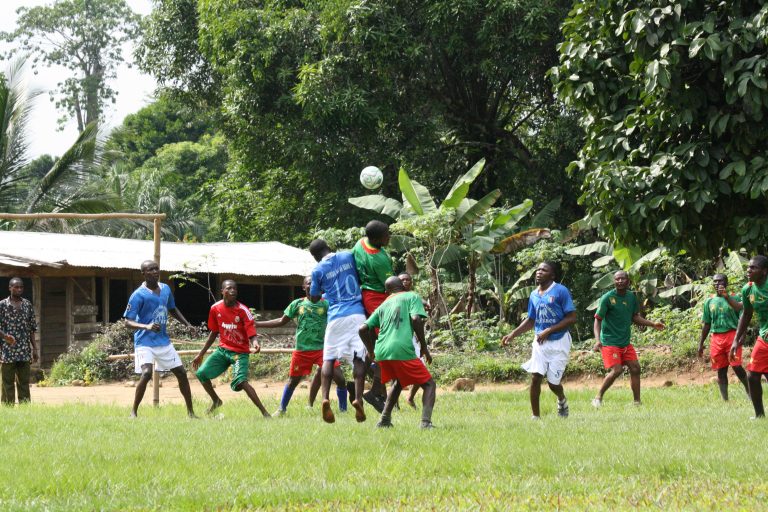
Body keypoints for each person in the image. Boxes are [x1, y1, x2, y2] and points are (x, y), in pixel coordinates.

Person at [254, 276, 348, 416]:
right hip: (302, 350)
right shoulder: (297, 304)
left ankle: (343, 411)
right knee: (293, 381)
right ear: (304, 287)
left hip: (323, 349)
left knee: (340, 378)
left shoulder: (327, 304)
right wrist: (258, 324)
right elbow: (281, 321)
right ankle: (282, 409)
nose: (312, 285)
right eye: (309, 283)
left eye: (315, 283)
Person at [502, 261, 576, 420]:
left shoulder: (560, 291)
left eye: (544, 270)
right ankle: (535, 416)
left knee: (553, 383)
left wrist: (549, 330)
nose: (539, 272)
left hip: (559, 341)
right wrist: (513, 334)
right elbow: (531, 320)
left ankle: (561, 399)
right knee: (535, 378)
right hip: (540, 343)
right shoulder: (534, 294)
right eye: (538, 269)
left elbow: (571, 317)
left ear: (552, 275)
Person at [359, 276, 436, 428]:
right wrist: (424, 347)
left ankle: (384, 420)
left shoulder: (383, 304)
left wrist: (370, 350)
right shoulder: (412, 296)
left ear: (386, 291)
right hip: (400, 348)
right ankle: (425, 423)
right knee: (429, 385)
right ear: (402, 285)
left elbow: (362, 329)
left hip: (382, 350)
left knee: (399, 382)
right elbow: (415, 319)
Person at [123, 260, 197, 418]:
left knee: (182, 373)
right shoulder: (138, 295)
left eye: (156, 268)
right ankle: (133, 412)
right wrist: (146, 326)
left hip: (163, 341)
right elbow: (127, 322)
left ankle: (191, 413)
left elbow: (172, 308)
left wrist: (187, 324)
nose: (155, 271)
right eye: (150, 270)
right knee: (146, 373)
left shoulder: (165, 289)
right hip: (144, 342)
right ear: (143, 273)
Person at [309, 239, 368, 423]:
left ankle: (325, 397)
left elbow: (314, 297)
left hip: (336, 317)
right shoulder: (348, 255)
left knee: (328, 358)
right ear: (329, 247)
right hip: (357, 314)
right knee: (359, 358)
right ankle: (358, 398)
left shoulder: (318, 270)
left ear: (315, 256)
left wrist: (324, 292)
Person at [192, 280, 270, 417]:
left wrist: (255, 343)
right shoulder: (215, 309)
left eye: (235, 288)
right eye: (229, 288)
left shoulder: (243, 310)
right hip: (223, 351)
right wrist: (201, 354)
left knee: (241, 382)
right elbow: (213, 332)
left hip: (239, 353)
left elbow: (251, 331)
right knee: (201, 373)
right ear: (222, 291)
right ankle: (216, 400)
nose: (233, 291)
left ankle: (265, 413)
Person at [591, 270, 664, 407]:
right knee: (617, 370)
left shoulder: (631, 297)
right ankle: (598, 397)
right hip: (609, 341)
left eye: (622, 279)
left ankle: (637, 402)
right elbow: (597, 320)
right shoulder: (607, 298)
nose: (619, 281)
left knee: (635, 368)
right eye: (617, 279)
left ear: (628, 281)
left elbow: (635, 317)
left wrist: (653, 324)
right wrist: (597, 340)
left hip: (624, 342)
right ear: (614, 282)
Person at [352, 220, 394, 411]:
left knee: (378, 345)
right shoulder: (380, 260)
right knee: (386, 345)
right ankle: (375, 391)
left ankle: (376, 390)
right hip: (379, 298)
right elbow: (390, 286)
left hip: (364, 294)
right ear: (377, 239)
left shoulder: (360, 244)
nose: (389, 237)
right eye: (386, 234)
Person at [698, 274, 749, 401]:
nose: (717, 283)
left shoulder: (736, 298)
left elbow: (744, 318)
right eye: (715, 281)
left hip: (732, 335)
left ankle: (750, 392)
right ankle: (725, 400)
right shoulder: (709, 301)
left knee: (737, 366)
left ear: (726, 282)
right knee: (721, 370)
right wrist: (701, 343)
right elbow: (707, 324)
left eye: (720, 280)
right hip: (716, 338)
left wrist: (742, 335)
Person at [731, 255, 768, 418]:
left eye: (754, 268)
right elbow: (746, 314)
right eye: (748, 267)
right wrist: (736, 340)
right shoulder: (748, 289)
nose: (749, 270)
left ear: (764, 271)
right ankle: (759, 415)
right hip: (764, 337)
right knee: (753, 375)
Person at [0, 277, 38, 405]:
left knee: (24, 382)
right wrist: (5, 337)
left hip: (24, 350)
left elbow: (32, 328)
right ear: (10, 288)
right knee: (7, 382)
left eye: (21, 287)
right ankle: (8, 406)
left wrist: (35, 349)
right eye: (16, 287)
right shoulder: (2, 305)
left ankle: (25, 406)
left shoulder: (27, 305)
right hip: (7, 350)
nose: (19, 289)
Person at [399, 272, 430, 409]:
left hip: (411, 337)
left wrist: (424, 303)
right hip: (396, 338)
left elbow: (420, 302)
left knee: (421, 368)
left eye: (408, 280)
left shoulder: (413, 296)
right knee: (397, 373)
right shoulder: (390, 297)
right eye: (402, 280)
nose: (405, 282)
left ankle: (410, 397)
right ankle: (393, 404)